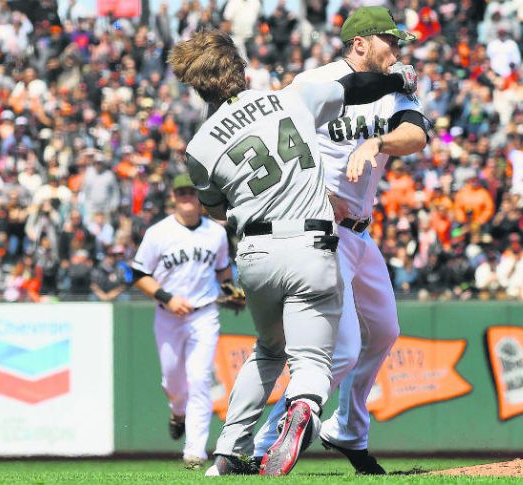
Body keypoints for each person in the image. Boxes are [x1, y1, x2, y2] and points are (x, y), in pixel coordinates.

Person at [168, 29, 417, 476]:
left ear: (197, 85)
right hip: (311, 242)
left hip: (257, 253)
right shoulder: (288, 99)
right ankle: (303, 410)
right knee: (317, 360)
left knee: (267, 350)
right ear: (241, 71)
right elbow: (354, 87)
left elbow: (217, 209)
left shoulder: (198, 148)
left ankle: (227, 451)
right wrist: (399, 82)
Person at [252, 6, 431, 475]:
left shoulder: (393, 87)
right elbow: (279, 147)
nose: (399, 51)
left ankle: (347, 429)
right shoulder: (314, 84)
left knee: (385, 331)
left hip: (360, 233)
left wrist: (378, 143)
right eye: (391, 42)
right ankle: (262, 446)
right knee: (344, 348)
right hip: (320, 229)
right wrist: (315, 194)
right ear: (360, 43)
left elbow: (416, 134)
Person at [129, 173, 231, 470]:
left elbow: (223, 271)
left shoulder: (216, 233)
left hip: (204, 314)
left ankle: (195, 451)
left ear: (200, 198)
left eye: (191, 192)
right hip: (168, 315)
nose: (187, 196)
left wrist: (231, 291)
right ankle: (177, 411)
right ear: (174, 197)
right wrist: (167, 297)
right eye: (181, 192)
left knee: (200, 379)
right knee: (173, 381)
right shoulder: (158, 233)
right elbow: (137, 275)